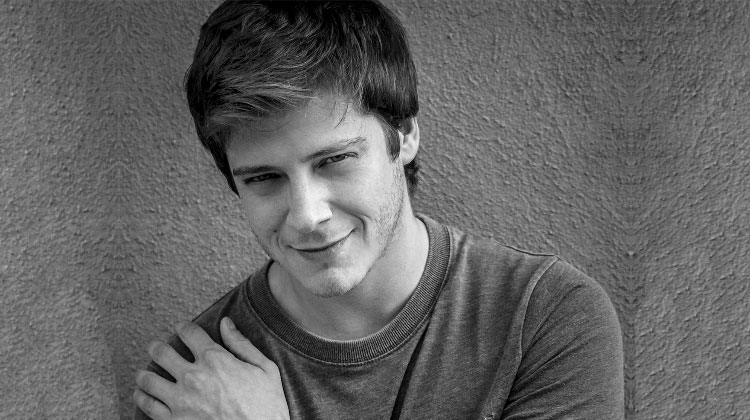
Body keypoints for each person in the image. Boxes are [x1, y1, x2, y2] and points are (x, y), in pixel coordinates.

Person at [133, 1, 625, 419]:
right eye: (264, 179)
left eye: (334, 161)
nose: (307, 216)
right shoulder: (192, 386)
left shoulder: (544, 318)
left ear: (404, 135)